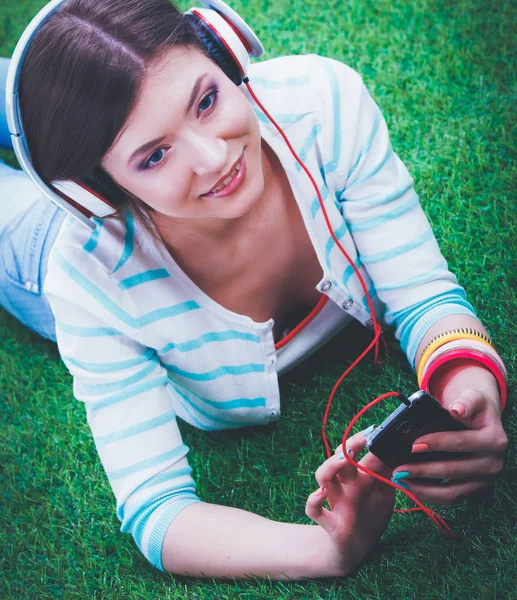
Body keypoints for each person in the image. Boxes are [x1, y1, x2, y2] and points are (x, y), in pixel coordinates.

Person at [0, 0, 507, 580]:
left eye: (207, 100)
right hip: (35, 252)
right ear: (94, 190)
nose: (215, 157)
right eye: (156, 155)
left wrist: (470, 387)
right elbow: (157, 509)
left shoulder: (323, 106)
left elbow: (425, 297)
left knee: (46, 80)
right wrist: (325, 551)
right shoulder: (87, 280)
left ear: (226, 51)